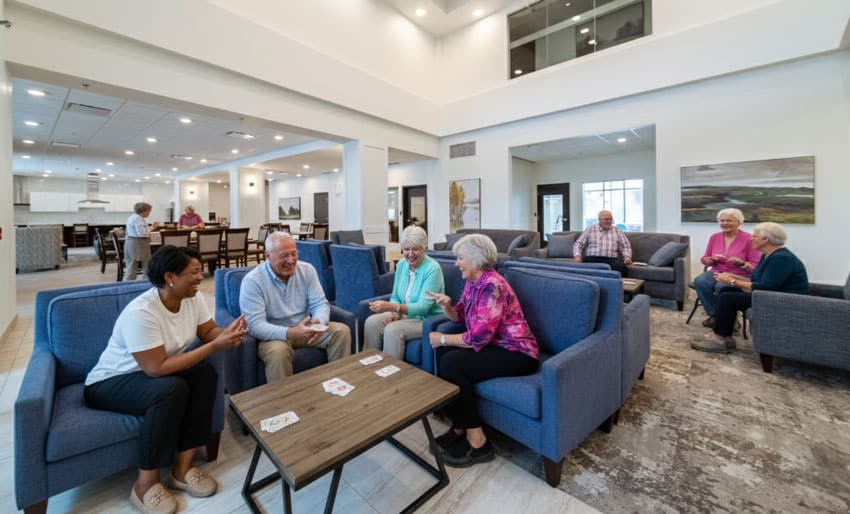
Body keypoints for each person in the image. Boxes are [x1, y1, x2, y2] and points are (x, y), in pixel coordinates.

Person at [84, 246, 247, 514]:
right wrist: (215, 346)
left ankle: (182, 470)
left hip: (153, 372)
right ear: (170, 277)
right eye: (193, 272)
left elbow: (207, 331)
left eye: (199, 270)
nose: (199, 277)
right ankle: (144, 485)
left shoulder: (192, 298)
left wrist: (224, 334)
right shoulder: (143, 312)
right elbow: (156, 368)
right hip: (111, 381)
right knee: (171, 389)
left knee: (206, 375)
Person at [425, 234, 539, 467]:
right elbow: (459, 316)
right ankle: (459, 427)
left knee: (451, 362)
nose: (456, 263)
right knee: (444, 356)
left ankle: (479, 443)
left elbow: (478, 337)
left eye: (460, 258)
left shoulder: (492, 286)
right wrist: (446, 305)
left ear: (475, 260)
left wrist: (444, 338)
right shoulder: (473, 283)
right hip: (494, 346)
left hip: (518, 352)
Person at [240, 232, 351, 381]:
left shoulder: (307, 270)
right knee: (278, 352)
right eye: (284, 256)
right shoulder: (253, 281)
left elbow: (320, 303)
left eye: (294, 254)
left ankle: (338, 383)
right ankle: (283, 401)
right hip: (274, 335)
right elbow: (255, 326)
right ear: (267, 256)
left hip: (306, 329)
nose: (291, 260)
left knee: (341, 331)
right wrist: (291, 332)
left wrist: (319, 323)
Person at [692, 222, 809, 353]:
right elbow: (756, 280)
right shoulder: (768, 255)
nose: (751, 239)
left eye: (755, 236)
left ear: (766, 239)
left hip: (783, 300)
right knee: (726, 290)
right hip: (770, 295)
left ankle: (720, 338)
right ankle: (725, 335)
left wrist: (731, 281)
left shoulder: (781, 258)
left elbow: (766, 287)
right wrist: (733, 277)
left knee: (728, 297)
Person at [363, 226, 444, 359]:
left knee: (392, 330)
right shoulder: (401, 264)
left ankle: (389, 373)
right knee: (371, 322)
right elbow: (395, 296)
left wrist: (394, 308)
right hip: (404, 315)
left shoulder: (433, 269)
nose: (410, 254)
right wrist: (395, 313)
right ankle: (369, 365)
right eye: (406, 249)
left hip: (425, 320)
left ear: (424, 248)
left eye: (415, 249)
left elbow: (424, 308)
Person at [694, 208, 762, 327]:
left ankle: (726, 318)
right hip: (717, 271)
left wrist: (741, 262)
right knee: (700, 281)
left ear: (739, 222)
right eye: (722, 220)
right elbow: (705, 258)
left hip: (739, 275)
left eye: (729, 220)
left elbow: (755, 266)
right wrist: (708, 260)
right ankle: (717, 316)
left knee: (722, 286)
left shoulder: (749, 239)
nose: (725, 223)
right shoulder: (714, 237)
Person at [572, 210, 632, 275]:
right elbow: (578, 244)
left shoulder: (617, 230)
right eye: (606, 219)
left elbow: (625, 246)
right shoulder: (590, 229)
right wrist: (577, 256)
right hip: (592, 258)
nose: (609, 221)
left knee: (621, 267)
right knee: (581, 267)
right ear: (599, 220)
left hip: (611, 259)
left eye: (610, 219)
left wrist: (627, 257)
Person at [124, 202, 158, 281]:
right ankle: (144, 282)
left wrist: (151, 227)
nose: (149, 213)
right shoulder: (138, 218)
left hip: (132, 242)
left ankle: (129, 283)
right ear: (144, 210)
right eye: (149, 211)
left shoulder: (133, 217)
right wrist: (152, 228)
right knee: (141, 265)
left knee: (132, 265)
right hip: (137, 243)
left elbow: (141, 231)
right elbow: (142, 233)